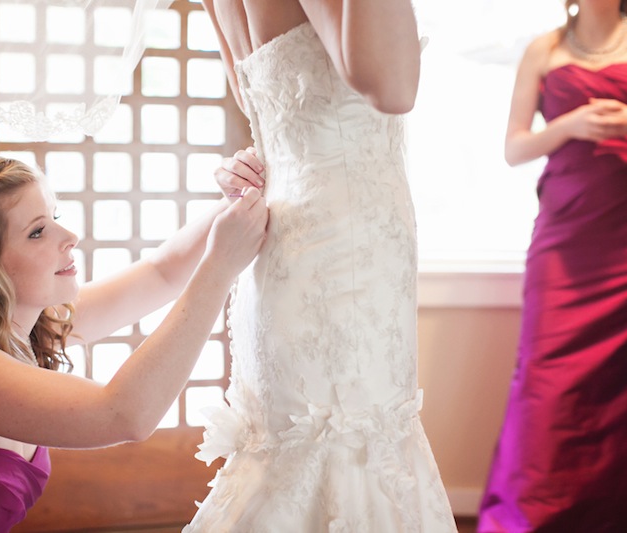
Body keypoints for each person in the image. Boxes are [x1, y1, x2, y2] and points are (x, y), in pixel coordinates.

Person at [0, 153, 268, 531]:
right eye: (37, 232)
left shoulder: (25, 330)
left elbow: (161, 273)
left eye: (55, 216)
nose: (69, 236)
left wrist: (235, 200)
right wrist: (220, 267)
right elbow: (124, 415)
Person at [183, 1, 457, 531]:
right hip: (347, 266)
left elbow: (264, 99)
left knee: (304, 445)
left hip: (291, 257)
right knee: (349, 440)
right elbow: (394, 86)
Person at [478, 1, 627, 531]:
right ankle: (529, 514)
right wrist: (570, 124)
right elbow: (514, 148)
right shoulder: (543, 48)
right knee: (543, 373)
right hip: (565, 236)